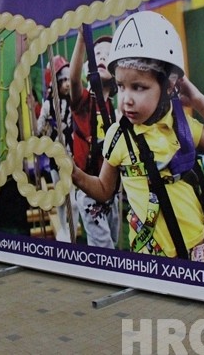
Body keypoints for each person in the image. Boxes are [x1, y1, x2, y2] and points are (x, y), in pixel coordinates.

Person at [71, 10, 204, 261]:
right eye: (121, 86)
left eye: (139, 87)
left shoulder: (181, 127)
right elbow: (104, 189)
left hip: (196, 251)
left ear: (168, 86)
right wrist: (75, 175)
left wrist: (197, 99)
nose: (126, 99)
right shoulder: (118, 136)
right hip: (149, 255)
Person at [69, 30, 119, 249]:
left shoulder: (114, 109)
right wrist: (82, 39)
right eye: (97, 54)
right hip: (89, 189)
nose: (102, 57)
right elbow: (73, 80)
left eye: (108, 55)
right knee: (103, 246)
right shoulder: (84, 103)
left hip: (111, 190)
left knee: (113, 240)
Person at [30, 55, 74, 242]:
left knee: (73, 199)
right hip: (56, 156)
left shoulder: (72, 102)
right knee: (61, 196)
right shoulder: (48, 105)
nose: (66, 84)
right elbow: (39, 129)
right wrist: (43, 129)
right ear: (55, 82)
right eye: (62, 80)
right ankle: (63, 229)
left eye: (68, 80)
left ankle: (71, 229)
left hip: (71, 154)